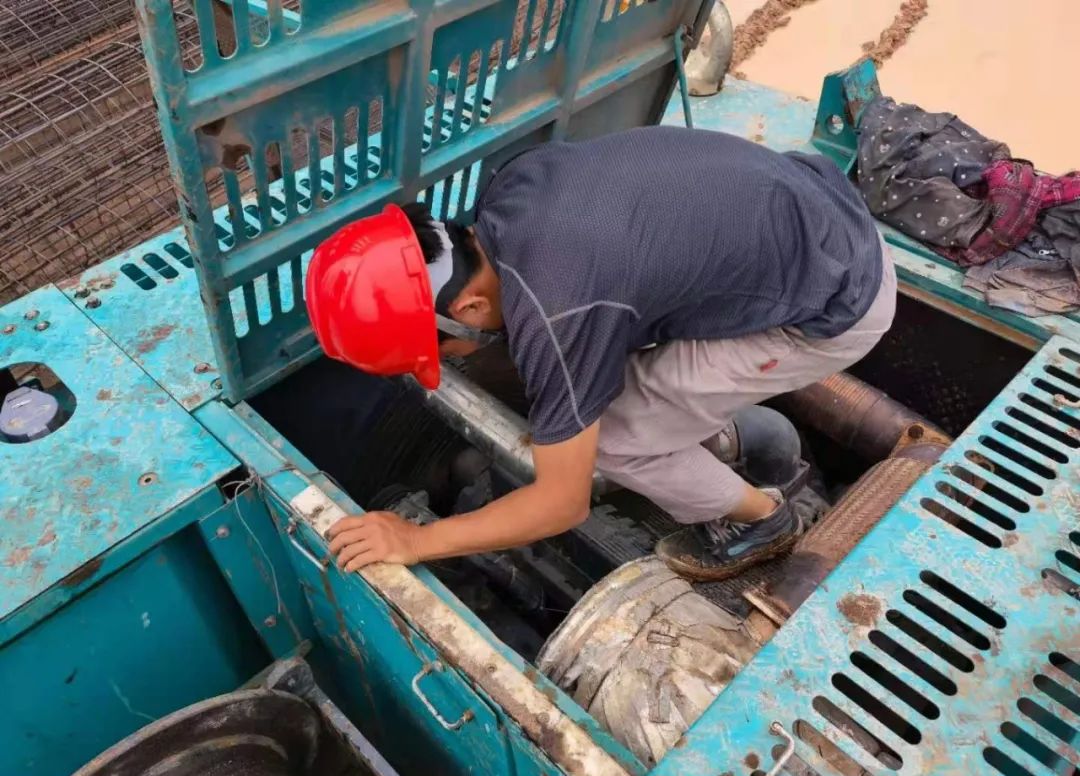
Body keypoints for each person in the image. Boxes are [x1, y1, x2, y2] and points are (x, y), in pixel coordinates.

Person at [305, 126, 896, 581]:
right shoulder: (512, 189)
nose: (454, 359)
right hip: (820, 213)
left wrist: (414, 540)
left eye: (442, 351)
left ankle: (764, 520)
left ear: (466, 310)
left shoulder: (558, 312)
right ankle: (717, 439)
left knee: (611, 439)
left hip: (837, 303)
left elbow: (564, 504)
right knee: (604, 397)